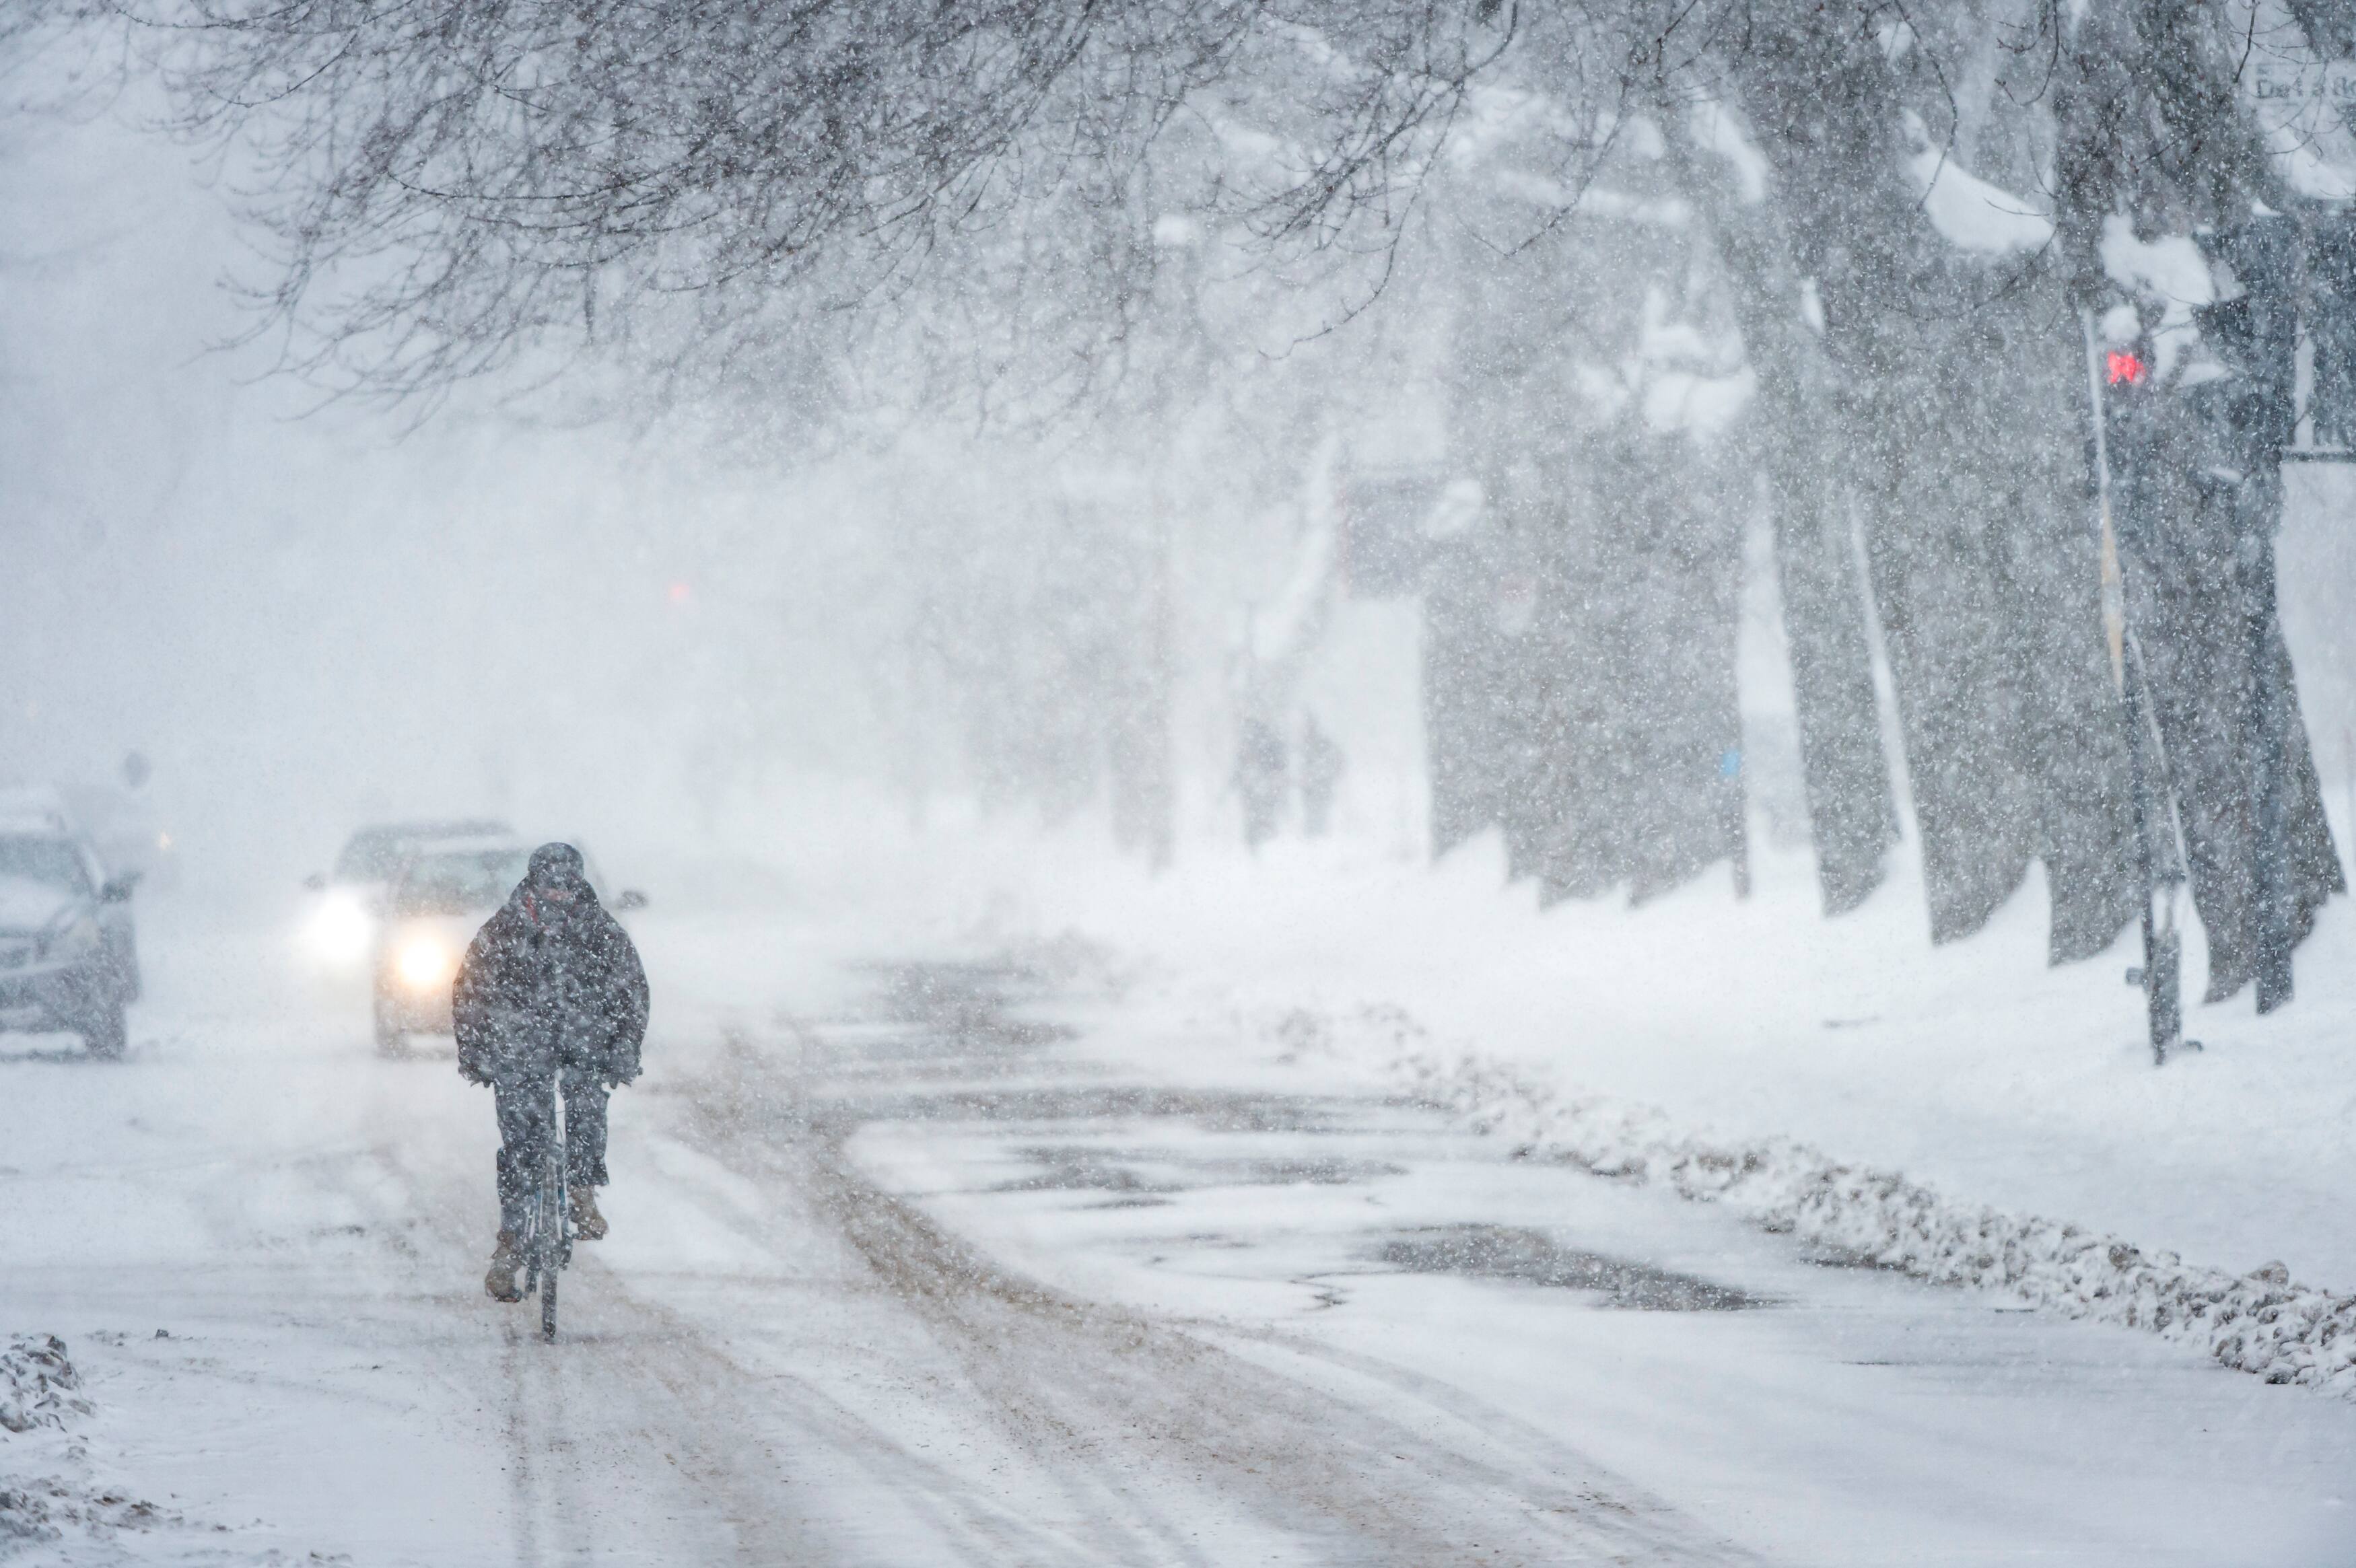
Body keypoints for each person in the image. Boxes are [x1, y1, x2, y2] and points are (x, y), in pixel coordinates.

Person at [453, 842, 650, 1303]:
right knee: (522, 1143)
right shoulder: (503, 931)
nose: (558, 894)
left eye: (567, 884)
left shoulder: (601, 930)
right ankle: (511, 1246)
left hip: (585, 1040)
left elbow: (631, 993)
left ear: (578, 883)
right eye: (550, 884)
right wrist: (476, 1052)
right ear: (534, 881)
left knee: (586, 1102)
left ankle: (582, 1190)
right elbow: (469, 994)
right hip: (520, 1046)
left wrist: (623, 1049)